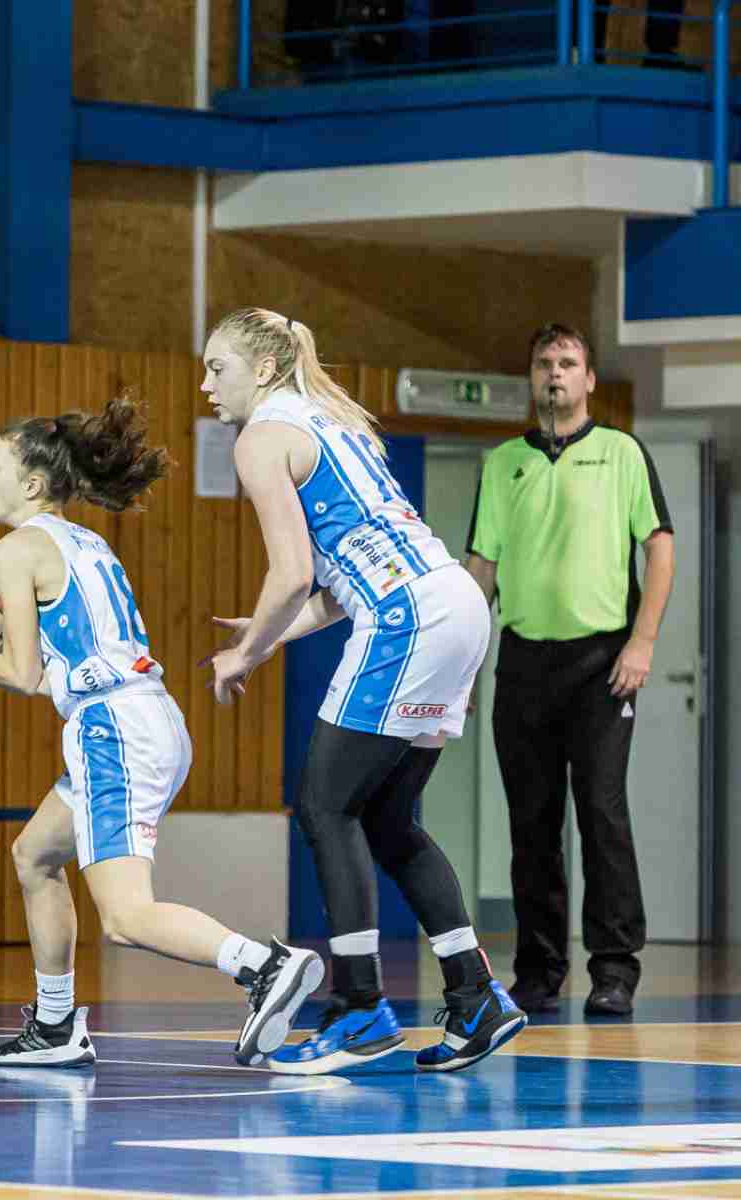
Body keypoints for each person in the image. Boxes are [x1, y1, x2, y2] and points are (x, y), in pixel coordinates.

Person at [0, 393, 322, 1072]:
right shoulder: (85, 542)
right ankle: (55, 1025)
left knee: (127, 917)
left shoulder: (15, 549)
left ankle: (262, 966)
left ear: (33, 484)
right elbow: (54, 670)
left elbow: (20, 673)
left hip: (113, 730)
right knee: (34, 855)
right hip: (141, 714)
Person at [202, 307, 525, 1075]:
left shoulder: (261, 438)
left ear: (264, 369)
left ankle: (359, 1008)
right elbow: (343, 582)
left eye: (218, 367)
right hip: (453, 603)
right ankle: (474, 995)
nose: (207, 384)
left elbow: (292, 574)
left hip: (410, 617)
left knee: (323, 806)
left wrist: (246, 652)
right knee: (386, 819)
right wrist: (270, 633)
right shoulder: (328, 420)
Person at [464, 324, 672, 1018]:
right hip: (524, 663)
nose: (555, 373)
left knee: (602, 812)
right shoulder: (502, 464)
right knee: (532, 823)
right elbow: (480, 570)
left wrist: (642, 642)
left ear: (588, 380)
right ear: (532, 377)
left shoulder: (622, 453)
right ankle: (538, 971)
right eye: (544, 363)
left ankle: (614, 968)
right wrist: (460, 670)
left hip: (602, 663)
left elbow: (660, 549)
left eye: (568, 363)